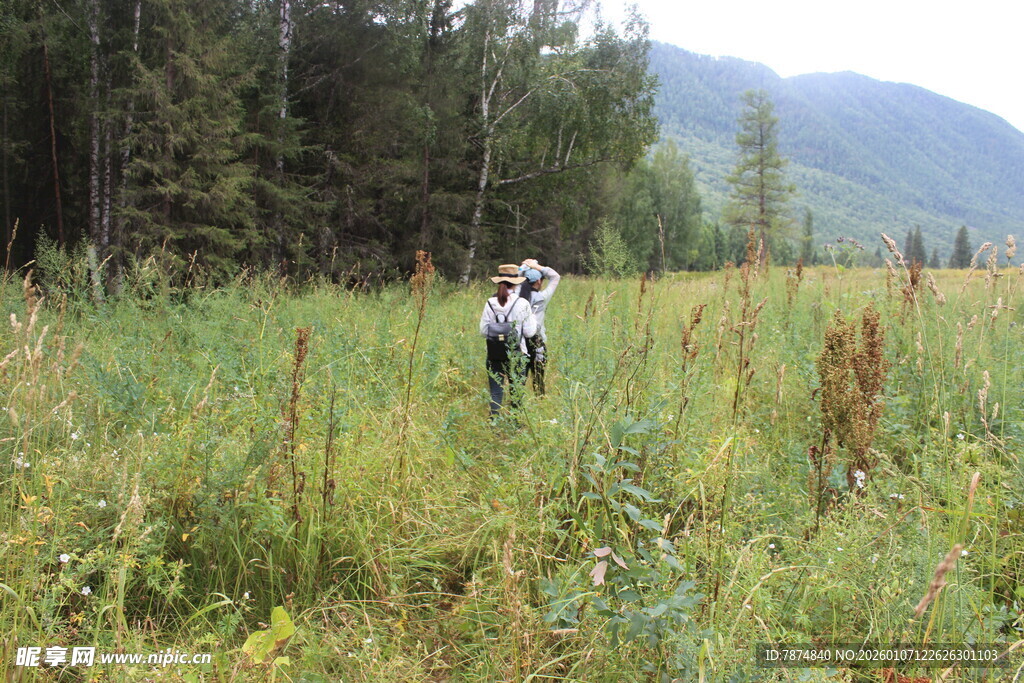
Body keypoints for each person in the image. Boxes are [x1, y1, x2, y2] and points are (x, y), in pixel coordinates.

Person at [479, 264, 537, 417]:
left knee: (496, 392)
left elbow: (484, 331)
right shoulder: (522, 303)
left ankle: (494, 424)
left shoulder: (490, 303)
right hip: (517, 354)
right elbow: (530, 333)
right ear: (516, 282)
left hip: (494, 354)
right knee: (516, 391)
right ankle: (515, 425)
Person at [517, 259, 560, 394]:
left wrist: (523, 268)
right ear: (539, 281)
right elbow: (555, 277)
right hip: (537, 341)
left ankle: (515, 407)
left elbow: (517, 280)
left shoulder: (517, 297)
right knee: (538, 378)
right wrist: (537, 267)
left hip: (520, 341)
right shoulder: (542, 297)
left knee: (519, 379)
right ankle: (540, 400)